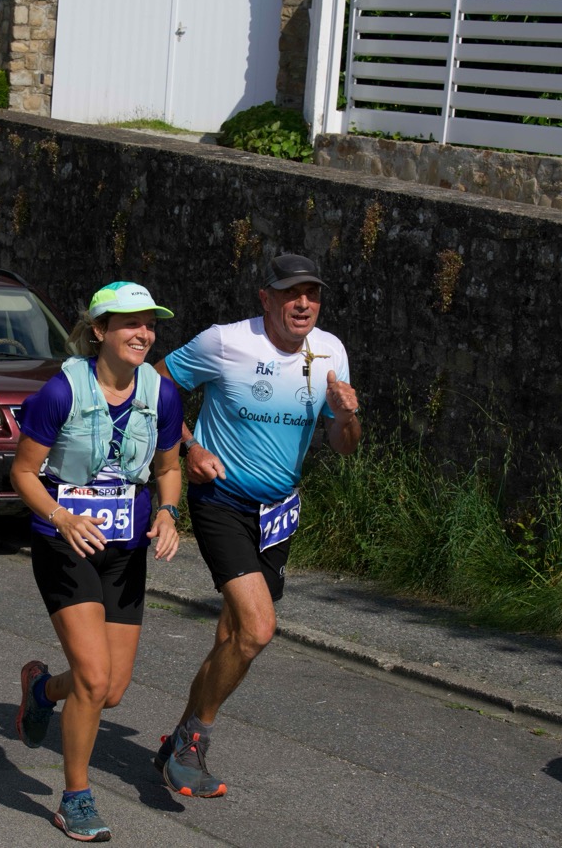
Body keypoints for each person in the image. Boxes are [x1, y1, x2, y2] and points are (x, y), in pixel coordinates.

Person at [151, 253, 359, 798]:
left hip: (277, 513)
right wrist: (189, 448)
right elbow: (156, 386)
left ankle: (177, 744)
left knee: (233, 637)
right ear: (266, 298)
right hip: (221, 499)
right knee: (259, 629)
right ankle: (195, 741)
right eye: (291, 293)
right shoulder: (226, 342)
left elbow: (344, 446)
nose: (304, 303)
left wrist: (347, 416)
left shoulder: (330, 351)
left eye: (312, 293)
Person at [11, 281, 184, 842]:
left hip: (126, 550)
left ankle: (42, 691)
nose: (143, 333)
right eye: (131, 323)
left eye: (150, 324)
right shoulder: (61, 391)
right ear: (100, 330)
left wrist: (169, 513)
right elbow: (23, 473)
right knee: (92, 676)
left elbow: (168, 468)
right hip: (65, 543)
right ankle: (75, 797)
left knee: (110, 690)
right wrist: (62, 518)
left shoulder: (162, 394)